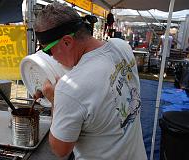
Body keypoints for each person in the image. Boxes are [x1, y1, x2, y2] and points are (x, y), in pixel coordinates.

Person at [33, 2, 147, 160]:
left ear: (67, 42)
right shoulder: (121, 46)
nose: (50, 57)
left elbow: (60, 150)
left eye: (47, 51)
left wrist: (55, 100)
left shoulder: (70, 89)